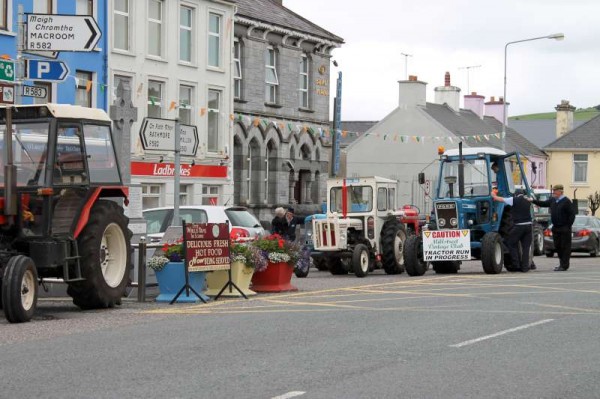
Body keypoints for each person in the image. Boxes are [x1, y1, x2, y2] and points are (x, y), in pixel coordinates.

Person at [530, 184, 576, 271]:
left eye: (555, 191)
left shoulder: (566, 201)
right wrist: (532, 200)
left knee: (565, 247)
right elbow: (543, 204)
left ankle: (564, 265)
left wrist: (567, 226)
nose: (553, 193)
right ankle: (561, 263)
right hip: (556, 228)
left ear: (560, 191)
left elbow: (572, 215)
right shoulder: (553, 201)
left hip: (564, 228)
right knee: (558, 246)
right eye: (553, 191)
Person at [492, 188, 534, 272]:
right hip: (529, 226)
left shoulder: (513, 200)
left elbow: (499, 199)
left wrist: (493, 194)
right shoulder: (528, 201)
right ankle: (525, 267)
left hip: (519, 226)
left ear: (516, 194)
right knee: (526, 247)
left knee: (510, 243)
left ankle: (516, 265)